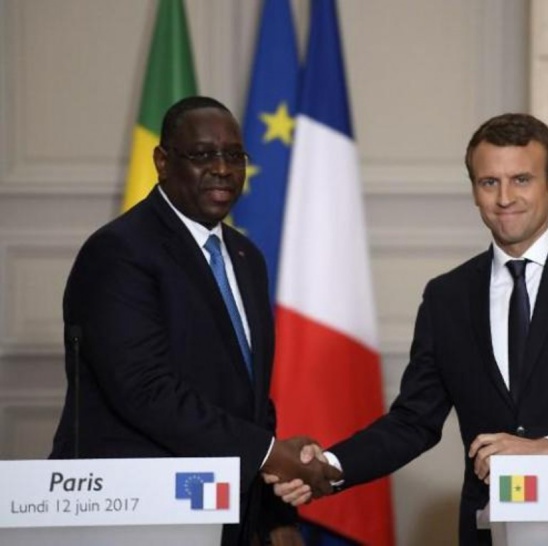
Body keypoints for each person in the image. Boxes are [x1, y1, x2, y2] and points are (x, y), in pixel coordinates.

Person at [271, 113, 548, 545]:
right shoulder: (447, 296)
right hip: (490, 531)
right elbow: (413, 421)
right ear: (474, 190)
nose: (505, 198)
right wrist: (330, 466)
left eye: (521, 179)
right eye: (489, 182)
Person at [50, 96, 339, 546]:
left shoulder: (245, 257)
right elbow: (145, 390)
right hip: (133, 512)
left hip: (225, 512)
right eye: (203, 155)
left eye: (234, 156)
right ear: (162, 162)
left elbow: (249, 397)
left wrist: (275, 513)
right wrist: (270, 455)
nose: (222, 169)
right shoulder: (120, 252)